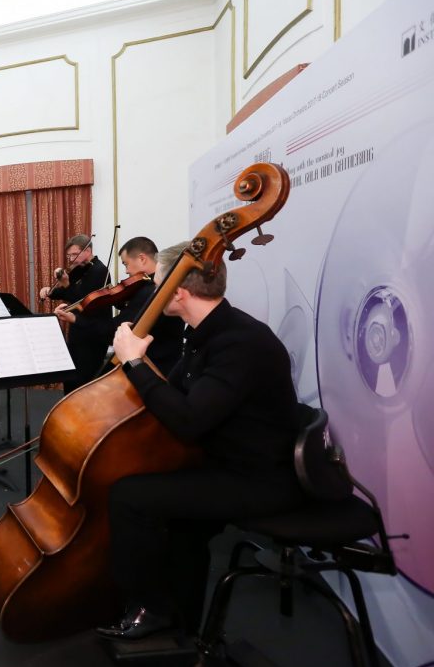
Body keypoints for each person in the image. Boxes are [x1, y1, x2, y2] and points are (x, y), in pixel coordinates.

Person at [97, 241, 306, 641]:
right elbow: (177, 395)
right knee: (176, 522)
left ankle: (152, 607)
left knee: (128, 496)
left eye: (158, 286)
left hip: (259, 479)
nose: (152, 295)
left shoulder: (239, 342)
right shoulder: (206, 333)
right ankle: (179, 617)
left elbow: (190, 421)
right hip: (224, 462)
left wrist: (136, 364)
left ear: (178, 291)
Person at [41, 234, 112, 394]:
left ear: (88, 250)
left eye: (74, 254)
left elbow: (82, 302)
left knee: (82, 383)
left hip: (92, 335)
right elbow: (68, 291)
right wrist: (49, 292)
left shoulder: (99, 270)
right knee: (70, 378)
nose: (71, 259)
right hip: (78, 331)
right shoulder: (82, 268)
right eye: (69, 255)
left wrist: (66, 284)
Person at [112, 236, 184, 376]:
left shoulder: (149, 289)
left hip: (154, 367)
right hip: (170, 359)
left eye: (126, 264)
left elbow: (122, 327)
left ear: (142, 258)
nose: (126, 271)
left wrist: (80, 320)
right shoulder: (151, 286)